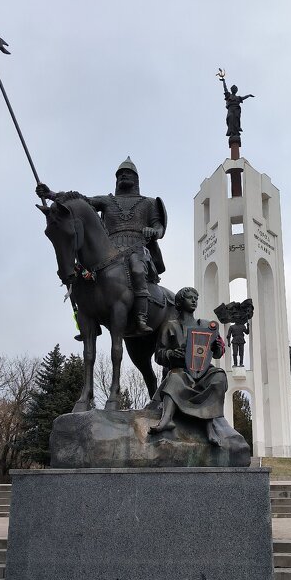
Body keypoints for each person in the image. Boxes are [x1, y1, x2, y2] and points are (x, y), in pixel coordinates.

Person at [36, 157, 166, 334]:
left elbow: (159, 226)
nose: (123, 176)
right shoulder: (107, 201)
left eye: (128, 174)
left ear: (136, 179)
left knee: (137, 269)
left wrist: (154, 231)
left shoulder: (149, 202)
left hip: (137, 248)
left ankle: (141, 317)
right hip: (110, 252)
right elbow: (79, 201)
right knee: (78, 276)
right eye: (120, 174)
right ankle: (87, 322)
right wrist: (51, 194)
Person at [149, 287, 227, 446]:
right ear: (179, 302)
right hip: (181, 369)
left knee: (219, 376)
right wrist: (171, 354)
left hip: (203, 371)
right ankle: (166, 419)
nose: (194, 301)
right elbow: (158, 354)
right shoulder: (170, 326)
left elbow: (217, 353)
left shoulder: (206, 325)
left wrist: (218, 346)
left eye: (196, 298)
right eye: (190, 298)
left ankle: (209, 426)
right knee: (175, 378)